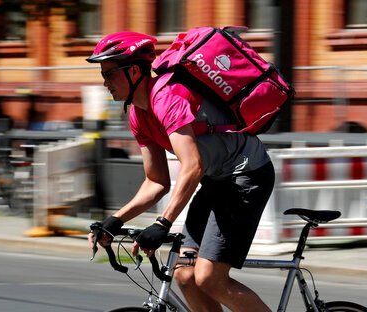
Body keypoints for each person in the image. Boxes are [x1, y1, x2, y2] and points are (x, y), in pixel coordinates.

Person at [86, 32, 274, 312]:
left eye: (110, 74)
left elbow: (193, 165)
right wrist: (114, 220)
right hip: (216, 180)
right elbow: (156, 181)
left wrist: (162, 224)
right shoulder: (138, 113)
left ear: (134, 70)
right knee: (185, 275)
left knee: (210, 278)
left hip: (246, 175)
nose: (105, 83)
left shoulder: (166, 97)